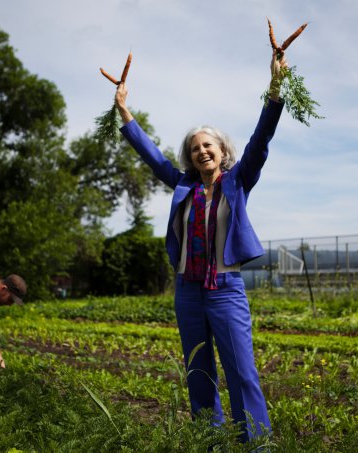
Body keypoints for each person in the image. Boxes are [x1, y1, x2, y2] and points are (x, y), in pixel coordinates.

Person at [113, 48, 287, 442]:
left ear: (223, 152)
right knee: (198, 373)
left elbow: (261, 140)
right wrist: (124, 111)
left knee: (242, 373)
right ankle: (210, 442)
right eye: (195, 148)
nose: (202, 151)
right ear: (190, 158)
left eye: (209, 145)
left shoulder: (237, 181)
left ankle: (255, 446)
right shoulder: (184, 186)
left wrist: (275, 85)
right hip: (188, 292)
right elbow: (152, 156)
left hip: (226, 291)